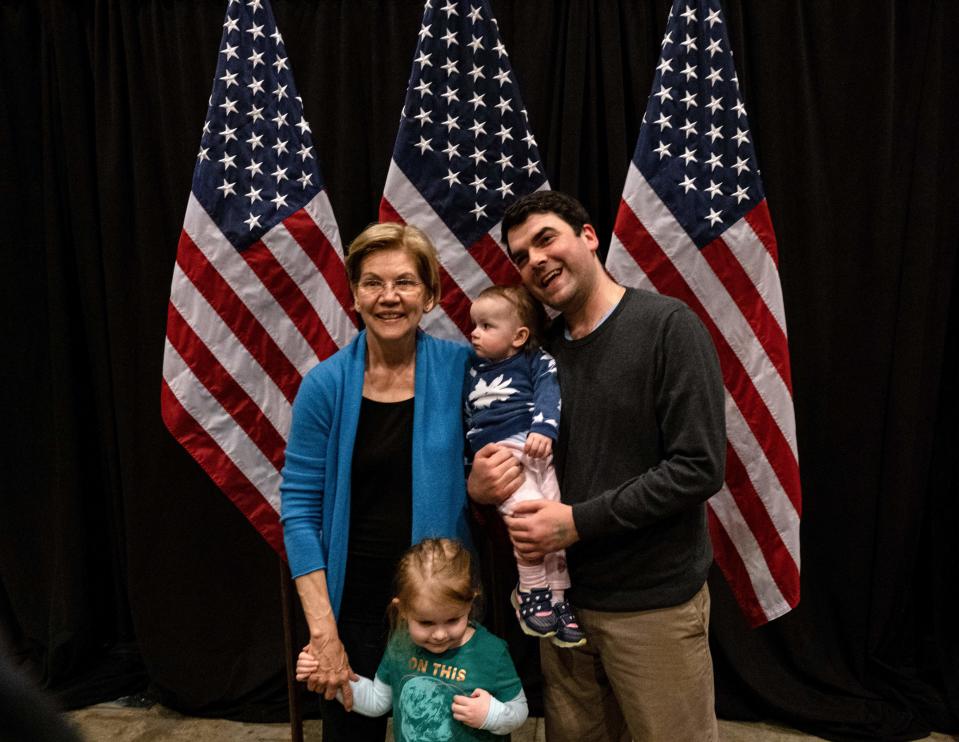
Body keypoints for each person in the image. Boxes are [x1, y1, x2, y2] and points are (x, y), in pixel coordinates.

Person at [467, 191, 726, 741]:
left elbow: (698, 468)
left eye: (545, 239)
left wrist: (577, 521)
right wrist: (480, 482)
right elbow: (501, 448)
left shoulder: (667, 327)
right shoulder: (535, 354)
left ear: (588, 237)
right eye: (519, 255)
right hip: (563, 610)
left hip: (652, 607)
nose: (534, 260)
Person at [280, 223, 473, 741]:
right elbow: (298, 510)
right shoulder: (325, 385)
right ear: (355, 294)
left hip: (441, 614)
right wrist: (324, 634)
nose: (389, 297)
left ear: (430, 295)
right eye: (373, 283)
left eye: (406, 282)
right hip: (352, 611)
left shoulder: (464, 372)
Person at [296, 538, 528, 741]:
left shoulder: (491, 652)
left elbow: (519, 711)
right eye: (426, 623)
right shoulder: (400, 643)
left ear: (470, 602)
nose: (439, 634)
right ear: (403, 610)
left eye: (453, 620)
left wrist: (491, 714)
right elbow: (377, 701)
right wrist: (333, 678)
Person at [465, 285, 584, 648]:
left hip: (537, 448)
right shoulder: (470, 369)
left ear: (519, 336)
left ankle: (559, 598)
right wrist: (473, 464)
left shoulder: (537, 360)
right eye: (474, 325)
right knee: (528, 520)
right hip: (501, 455)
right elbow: (467, 419)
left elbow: (550, 393)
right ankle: (530, 590)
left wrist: (544, 430)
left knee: (555, 520)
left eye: (486, 326)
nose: (474, 333)